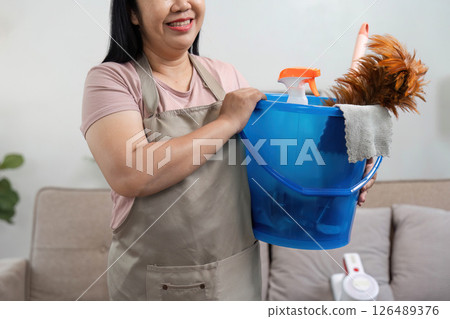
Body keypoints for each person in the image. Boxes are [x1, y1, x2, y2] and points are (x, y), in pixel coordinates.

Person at [81, 0, 376, 301]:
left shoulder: (226, 77)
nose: (182, 5)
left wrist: (340, 177)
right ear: (132, 12)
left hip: (237, 280)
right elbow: (131, 173)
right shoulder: (112, 80)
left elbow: (270, 172)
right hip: (155, 286)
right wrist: (227, 122)